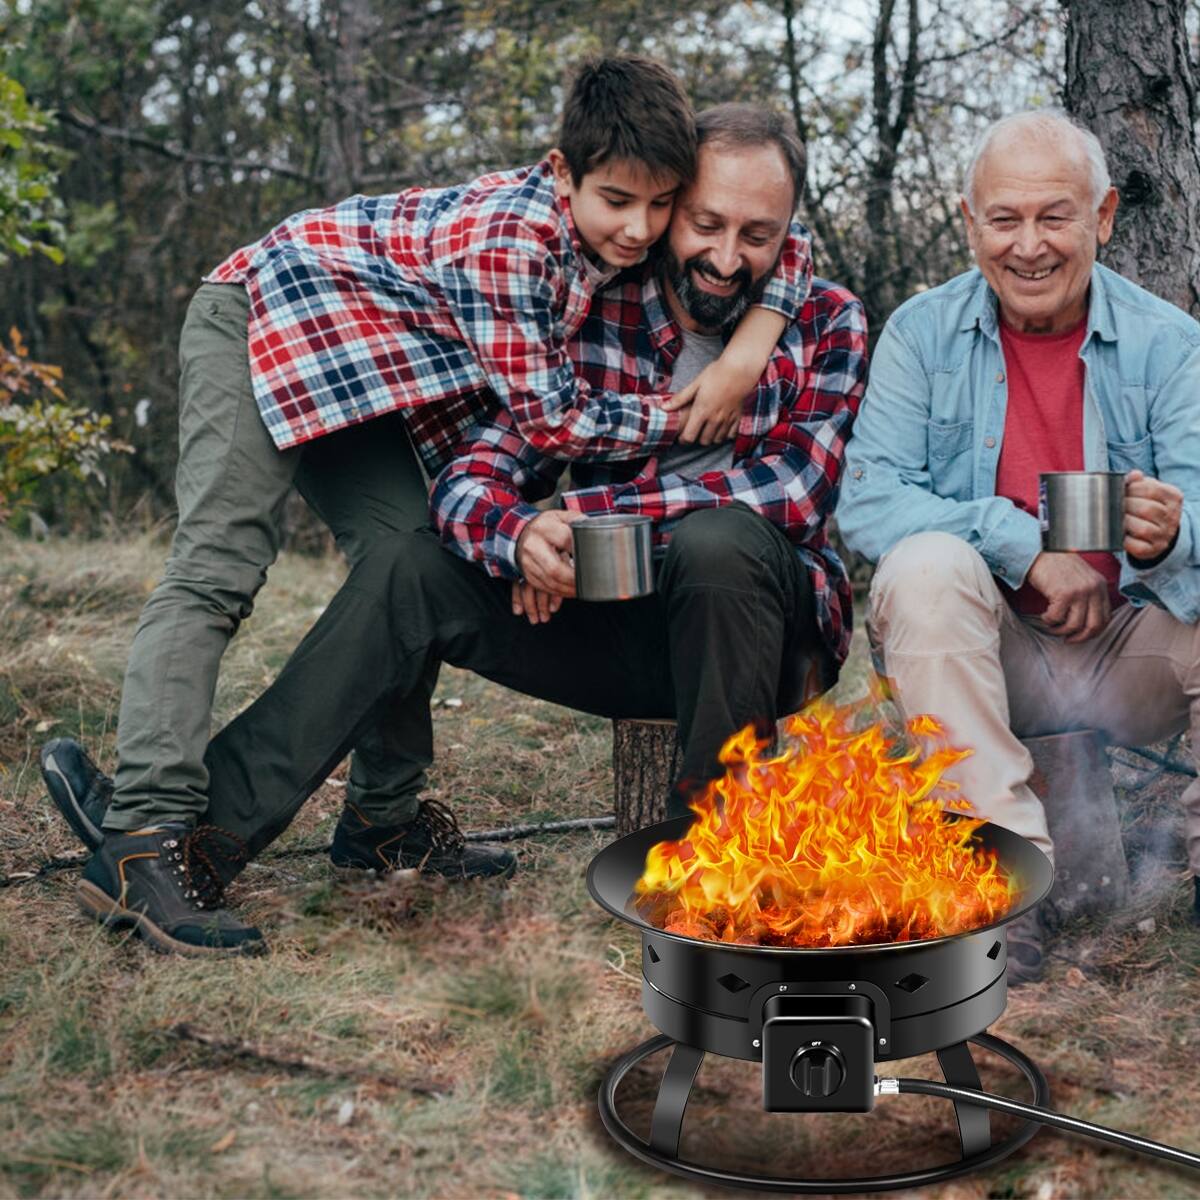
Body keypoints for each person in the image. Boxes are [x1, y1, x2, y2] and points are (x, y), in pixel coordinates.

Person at [50, 104, 867, 957]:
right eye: (705, 224)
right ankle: (190, 848)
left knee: (719, 539)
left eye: (759, 236)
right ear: (668, 211)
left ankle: (716, 856)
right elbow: (472, 482)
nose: (728, 257)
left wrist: (577, 515)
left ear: (787, 238)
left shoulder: (827, 321)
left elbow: (794, 493)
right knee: (411, 561)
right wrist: (519, 538)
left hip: (767, 639)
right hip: (626, 632)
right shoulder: (589, 308)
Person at [835, 109, 1200, 983]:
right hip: (983, 650)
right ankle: (1000, 885)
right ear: (970, 221)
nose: (1028, 246)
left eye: (1054, 216)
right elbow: (868, 500)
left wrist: (1176, 530)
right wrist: (1024, 547)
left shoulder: (1171, 344)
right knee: (924, 562)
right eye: (1004, 219)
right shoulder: (923, 334)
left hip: (1129, 651)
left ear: (1103, 217)